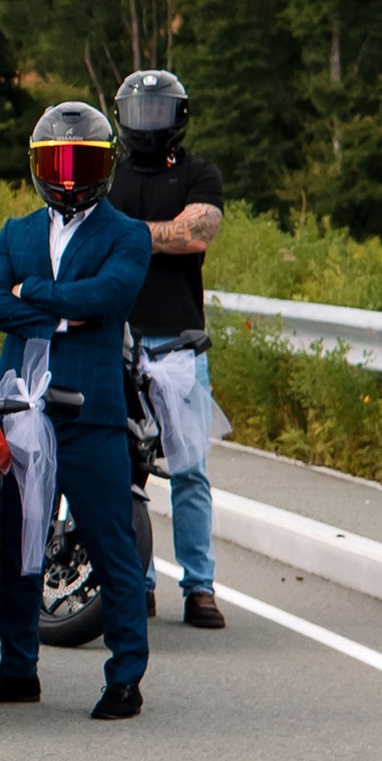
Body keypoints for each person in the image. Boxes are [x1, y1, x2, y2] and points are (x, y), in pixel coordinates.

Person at [0, 101, 154, 718]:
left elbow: (112, 294)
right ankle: (17, 669)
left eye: (83, 162)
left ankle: (125, 678)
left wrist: (34, 294)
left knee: (110, 544)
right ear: (39, 166)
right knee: (18, 542)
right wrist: (71, 312)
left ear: (106, 165)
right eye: (56, 162)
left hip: (90, 413)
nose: (69, 177)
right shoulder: (16, 231)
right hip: (19, 408)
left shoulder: (128, 233)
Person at [111, 67, 225, 630]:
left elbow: (198, 231)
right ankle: (140, 579)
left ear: (178, 119)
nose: (148, 124)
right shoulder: (109, 173)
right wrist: (157, 233)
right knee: (124, 467)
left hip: (179, 341)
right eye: (139, 113)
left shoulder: (199, 173)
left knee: (189, 469)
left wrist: (128, 234)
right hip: (116, 338)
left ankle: (200, 587)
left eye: (159, 113)